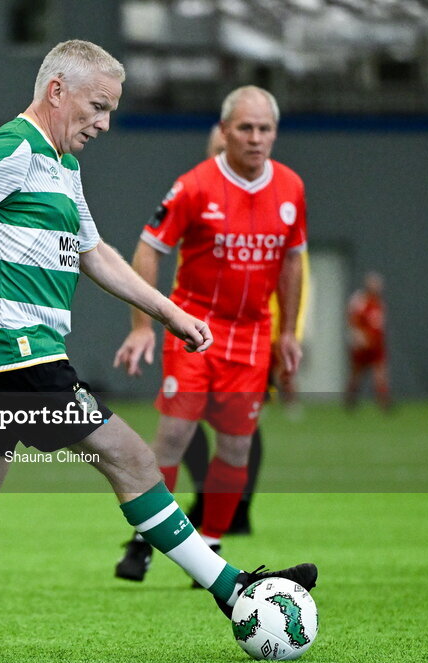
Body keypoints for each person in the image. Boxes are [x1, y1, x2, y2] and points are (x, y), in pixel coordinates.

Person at [0, 41, 316, 655]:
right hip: (17, 351)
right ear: (57, 91)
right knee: (131, 459)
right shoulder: (14, 146)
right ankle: (234, 592)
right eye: (97, 107)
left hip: (10, 356)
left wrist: (168, 310)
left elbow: (93, 253)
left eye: (110, 111)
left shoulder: (63, 166)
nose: (103, 123)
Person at [113, 86, 307, 583]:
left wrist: (287, 331)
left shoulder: (291, 189)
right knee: (174, 436)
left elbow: (292, 261)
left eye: (265, 129)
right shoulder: (194, 186)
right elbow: (148, 248)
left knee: (237, 447)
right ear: (224, 132)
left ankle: (212, 546)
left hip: (252, 335)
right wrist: (143, 326)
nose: (256, 138)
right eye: (246, 128)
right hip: (195, 325)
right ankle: (146, 538)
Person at [345, 271, 391, 410]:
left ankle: (384, 403)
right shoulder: (360, 301)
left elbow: (380, 325)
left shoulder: (379, 303)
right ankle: (350, 399)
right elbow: (352, 321)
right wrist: (358, 337)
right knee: (356, 375)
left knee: (380, 374)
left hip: (376, 346)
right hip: (363, 346)